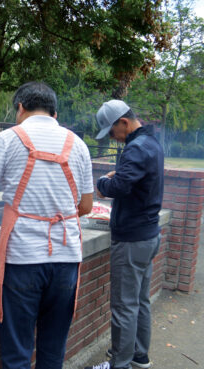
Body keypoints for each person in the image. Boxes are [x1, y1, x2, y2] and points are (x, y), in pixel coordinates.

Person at [0, 81, 94, 369]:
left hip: (23, 260)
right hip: (67, 259)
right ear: (54, 113)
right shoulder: (78, 144)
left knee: (18, 352)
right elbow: (86, 206)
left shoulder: (9, 139)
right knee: (53, 349)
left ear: (20, 107)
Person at [85, 100, 164, 369]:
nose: (112, 137)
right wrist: (120, 173)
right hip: (148, 234)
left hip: (131, 239)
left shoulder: (136, 147)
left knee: (123, 306)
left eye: (111, 131)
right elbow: (137, 178)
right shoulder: (151, 143)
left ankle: (119, 364)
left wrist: (101, 183)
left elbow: (118, 187)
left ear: (124, 122)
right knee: (140, 301)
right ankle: (139, 356)